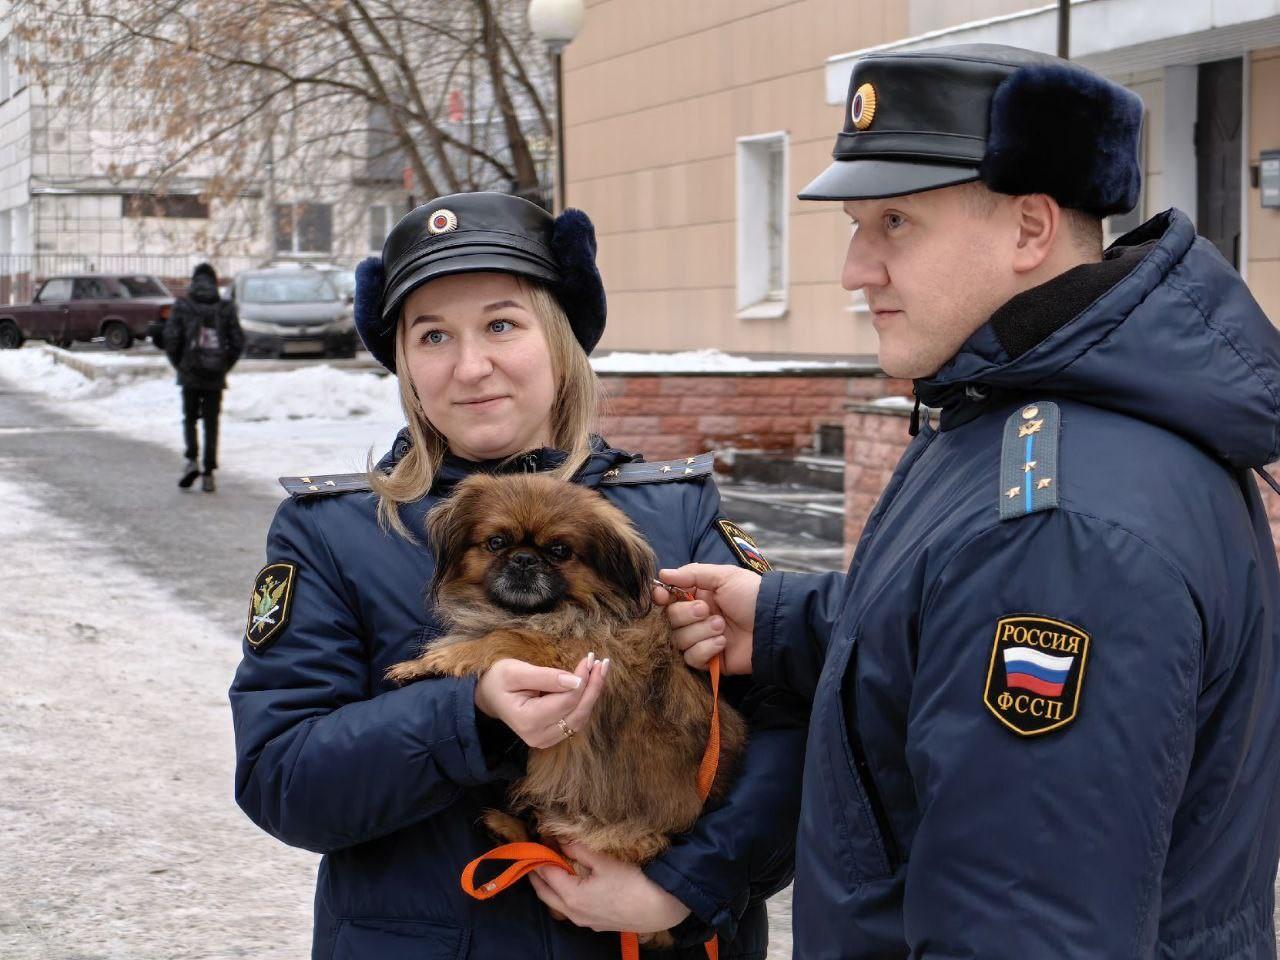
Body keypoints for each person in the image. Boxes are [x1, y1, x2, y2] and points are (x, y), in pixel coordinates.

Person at [657, 44, 1280, 958]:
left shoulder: (1061, 529)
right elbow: (954, 632)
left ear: (1031, 230)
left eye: (896, 223)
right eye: (857, 225)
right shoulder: (1016, 410)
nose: (854, 270)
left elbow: (1025, 928)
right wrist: (791, 622)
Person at [228, 192, 804, 959]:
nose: (471, 366)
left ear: (559, 342)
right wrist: (467, 716)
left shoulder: (669, 513)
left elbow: (794, 735)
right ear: (403, 361)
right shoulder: (336, 531)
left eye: (502, 324)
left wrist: (684, 887)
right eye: (433, 335)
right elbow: (283, 780)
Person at [163, 261, 243, 493]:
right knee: (211, 422)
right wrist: (223, 365)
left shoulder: (183, 305)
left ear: (194, 280)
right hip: (214, 374)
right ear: (215, 281)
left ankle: (191, 460)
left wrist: (181, 365)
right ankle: (209, 473)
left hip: (189, 373)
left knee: (189, 418)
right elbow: (238, 341)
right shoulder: (225, 307)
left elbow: (171, 339)